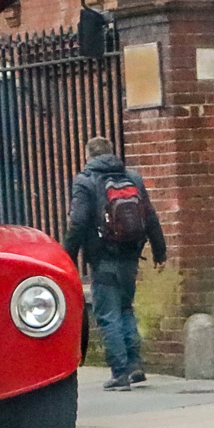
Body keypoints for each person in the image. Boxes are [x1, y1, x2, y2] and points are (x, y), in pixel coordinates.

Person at [65, 136, 166, 390]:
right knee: (125, 308)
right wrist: (159, 252)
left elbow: (77, 223)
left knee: (108, 315)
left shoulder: (85, 181)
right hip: (130, 255)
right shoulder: (133, 178)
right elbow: (150, 216)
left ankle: (119, 373)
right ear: (112, 153)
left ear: (89, 155)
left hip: (103, 257)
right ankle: (134, 366)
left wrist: (67, 258)